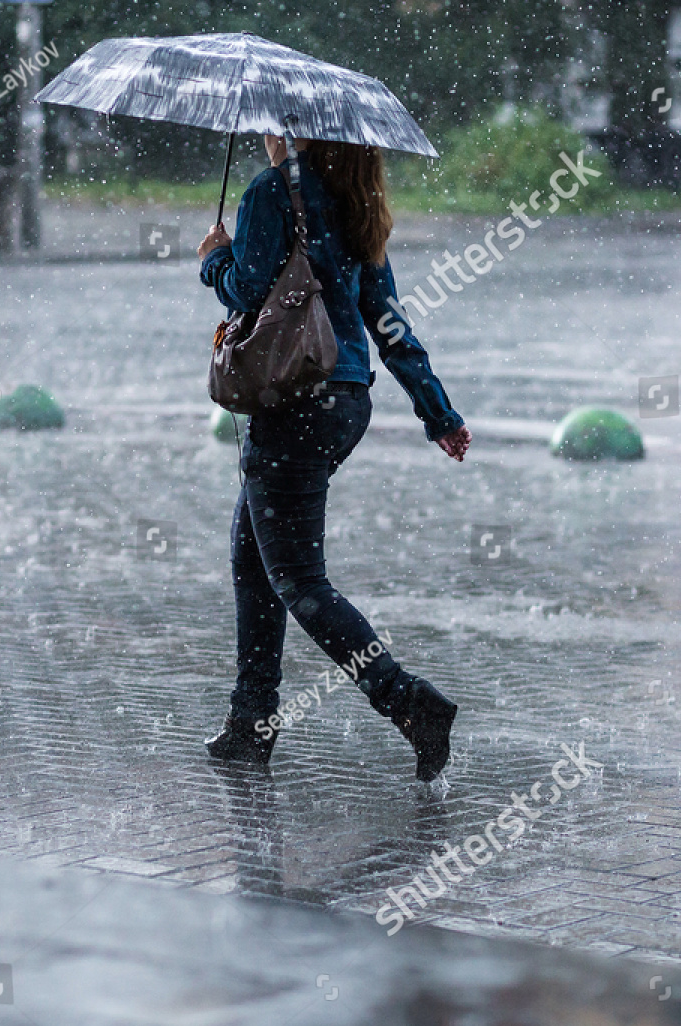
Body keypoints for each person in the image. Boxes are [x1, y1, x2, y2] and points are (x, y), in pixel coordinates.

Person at [198, 132, 471, 781]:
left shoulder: (272, 193)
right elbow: (389, 321)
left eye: (274, 124)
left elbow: (246, 290)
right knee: (253, 560)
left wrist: (215, 258)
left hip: (292, 397)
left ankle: (409, 702)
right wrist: (437, 410)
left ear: (295, 132)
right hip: (345, 401)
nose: (266, 134)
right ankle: (250, 723)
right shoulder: (357, 202)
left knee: (298, 579)